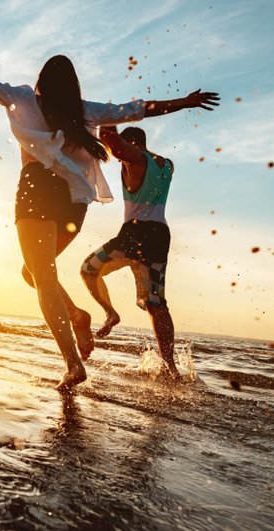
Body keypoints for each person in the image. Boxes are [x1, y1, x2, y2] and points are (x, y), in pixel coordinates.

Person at [0, 19, 218, 391]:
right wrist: (184, 102)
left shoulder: (24, 98)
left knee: (43, 279)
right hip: (74, 203)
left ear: (41, 81)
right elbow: (137, 109)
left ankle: (73, 363)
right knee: (36, 274)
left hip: (38, 190)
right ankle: (77, 315)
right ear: (73, 86)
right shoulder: (85, 111)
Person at [80, 126, 180, 379]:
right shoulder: (167, 164)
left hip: (135, 234)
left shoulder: (135, 158)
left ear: (131, 144)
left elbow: (111, 143)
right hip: (159, 235)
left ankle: (110, 313)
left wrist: (109, 117)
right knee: (156, 303)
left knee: (88, 269)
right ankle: (171, 366)